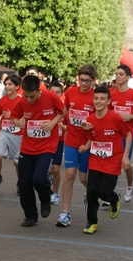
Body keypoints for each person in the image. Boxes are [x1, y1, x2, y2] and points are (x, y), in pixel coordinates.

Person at [11, 75, 64, 227]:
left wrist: (53, 122)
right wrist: (18, 122)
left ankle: (46, 198)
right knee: (24, 183)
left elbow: (62, 111)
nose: (28, 100)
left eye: (32, 96)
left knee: (39, 179)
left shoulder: (51, 97)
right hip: (27, 147)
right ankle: (30, 215)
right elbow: (14, 117)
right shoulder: (22, 101)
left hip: (47, 146)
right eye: (26, 96)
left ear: (39, 90)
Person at [80, 85, 131, 234]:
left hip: (112, 161)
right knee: (92, 192)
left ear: (108, 101)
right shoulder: (89, 119)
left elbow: (128, 134)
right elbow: (92, 138)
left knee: (103, 192)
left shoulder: (115, 118)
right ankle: (92, 222)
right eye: (96, 98)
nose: (98, 101)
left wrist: (125, 156)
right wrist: (85, 146)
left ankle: (114, 198)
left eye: (102, 98)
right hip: (95, 160)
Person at [56, 64, 96, 227]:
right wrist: (57, 120)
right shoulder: (71, 92)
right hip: (71, 140)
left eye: (87, 81)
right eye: (81, 80)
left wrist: (89, 142)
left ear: (93, 81)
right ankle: (66, 212)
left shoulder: (97, 96)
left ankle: (91, 194)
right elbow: (65, 110)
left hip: (88, 142)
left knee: (83, 177)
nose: (84, 84)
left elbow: (101, 120)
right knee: (69, 174)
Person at [109, 64, 133, 203]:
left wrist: (128, 116)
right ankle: (109, 194)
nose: (117, 76)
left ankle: (130, 185)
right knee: (112, 165)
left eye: (121, 74)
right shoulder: (112, 94)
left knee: (126, 165)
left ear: (128, 77)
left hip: (128, 136)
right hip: (113, 135)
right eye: (116, 74)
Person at [48, 81, 67, 205]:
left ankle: (55, 193)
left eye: (57, 92)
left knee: (55, 169)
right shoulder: (43, 106)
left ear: (61, 94)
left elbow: (70, 126)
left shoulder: (64, 109)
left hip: (58, 141)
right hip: (44, 142)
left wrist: (63, 126)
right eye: (52, 92)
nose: (55, 94)